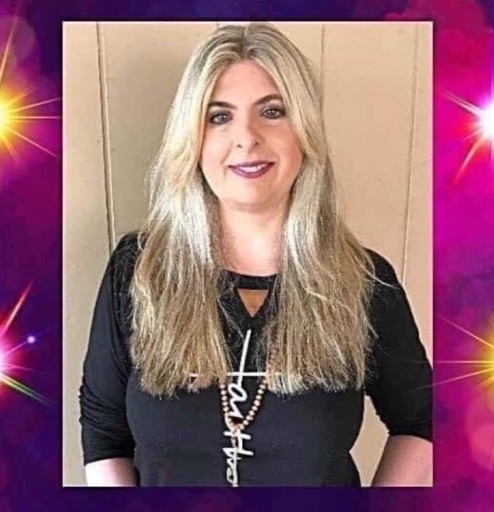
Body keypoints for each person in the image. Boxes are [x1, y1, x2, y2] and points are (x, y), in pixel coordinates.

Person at [79, 22, 432, 487]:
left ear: (304, 132)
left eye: (272, 111)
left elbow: (421, 419)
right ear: (193, 139)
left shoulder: (363, 282)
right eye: (218, 116)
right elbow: (104, 431)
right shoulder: (140, 270)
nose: (246, 137)